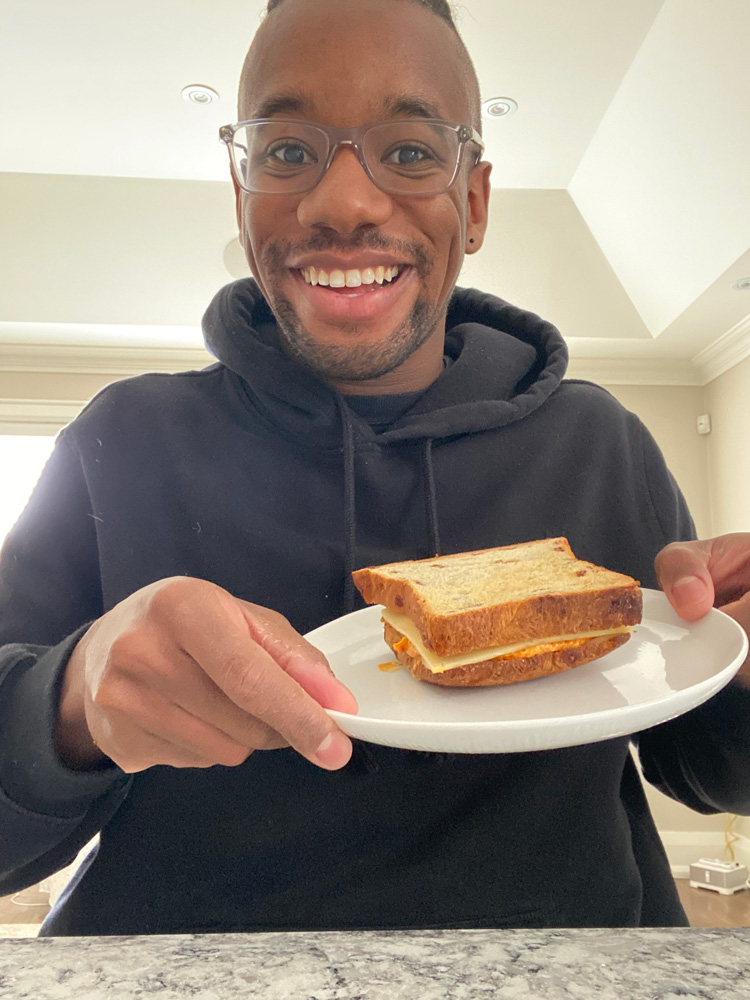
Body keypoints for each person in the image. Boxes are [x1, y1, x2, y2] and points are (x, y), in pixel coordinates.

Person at [1, 0, 749, 936]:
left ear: (472, 203)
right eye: (284, 150)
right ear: (242, 196)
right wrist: (69, 705)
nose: (343, 203)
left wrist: (741, 668)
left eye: (408, 151)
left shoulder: (598, 442)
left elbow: (706, 764)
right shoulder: (121, 441)